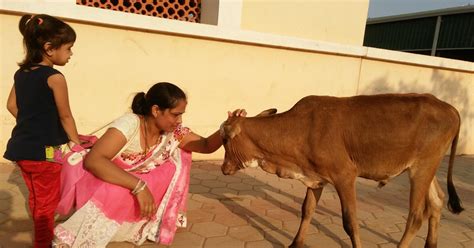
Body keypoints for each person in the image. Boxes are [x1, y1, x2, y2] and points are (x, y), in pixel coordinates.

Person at [53, 82, 246, 247]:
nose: (179, 120)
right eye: (175, 114)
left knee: (171, 167)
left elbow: (205, 146)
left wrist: (227, 126)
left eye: (181, 115)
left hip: (125, 182)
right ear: (156, 110)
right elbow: (94, 160)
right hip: (99, 181)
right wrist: (139, 187)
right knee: (116, 191)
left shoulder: (174, 132)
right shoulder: (130, 123)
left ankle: (137, 224)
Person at [3, 14, 81, 248]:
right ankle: (43, 242)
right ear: (49, 48)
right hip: (47, 152)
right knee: (48, 202)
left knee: (37, 197)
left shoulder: (22, 73)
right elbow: (65, 115)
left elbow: (11, 106)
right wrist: (76, 144)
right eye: (68, 49)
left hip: (21, 150)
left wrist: (31, 123)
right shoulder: (55, 78)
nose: (71, 54)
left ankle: (42, 233)